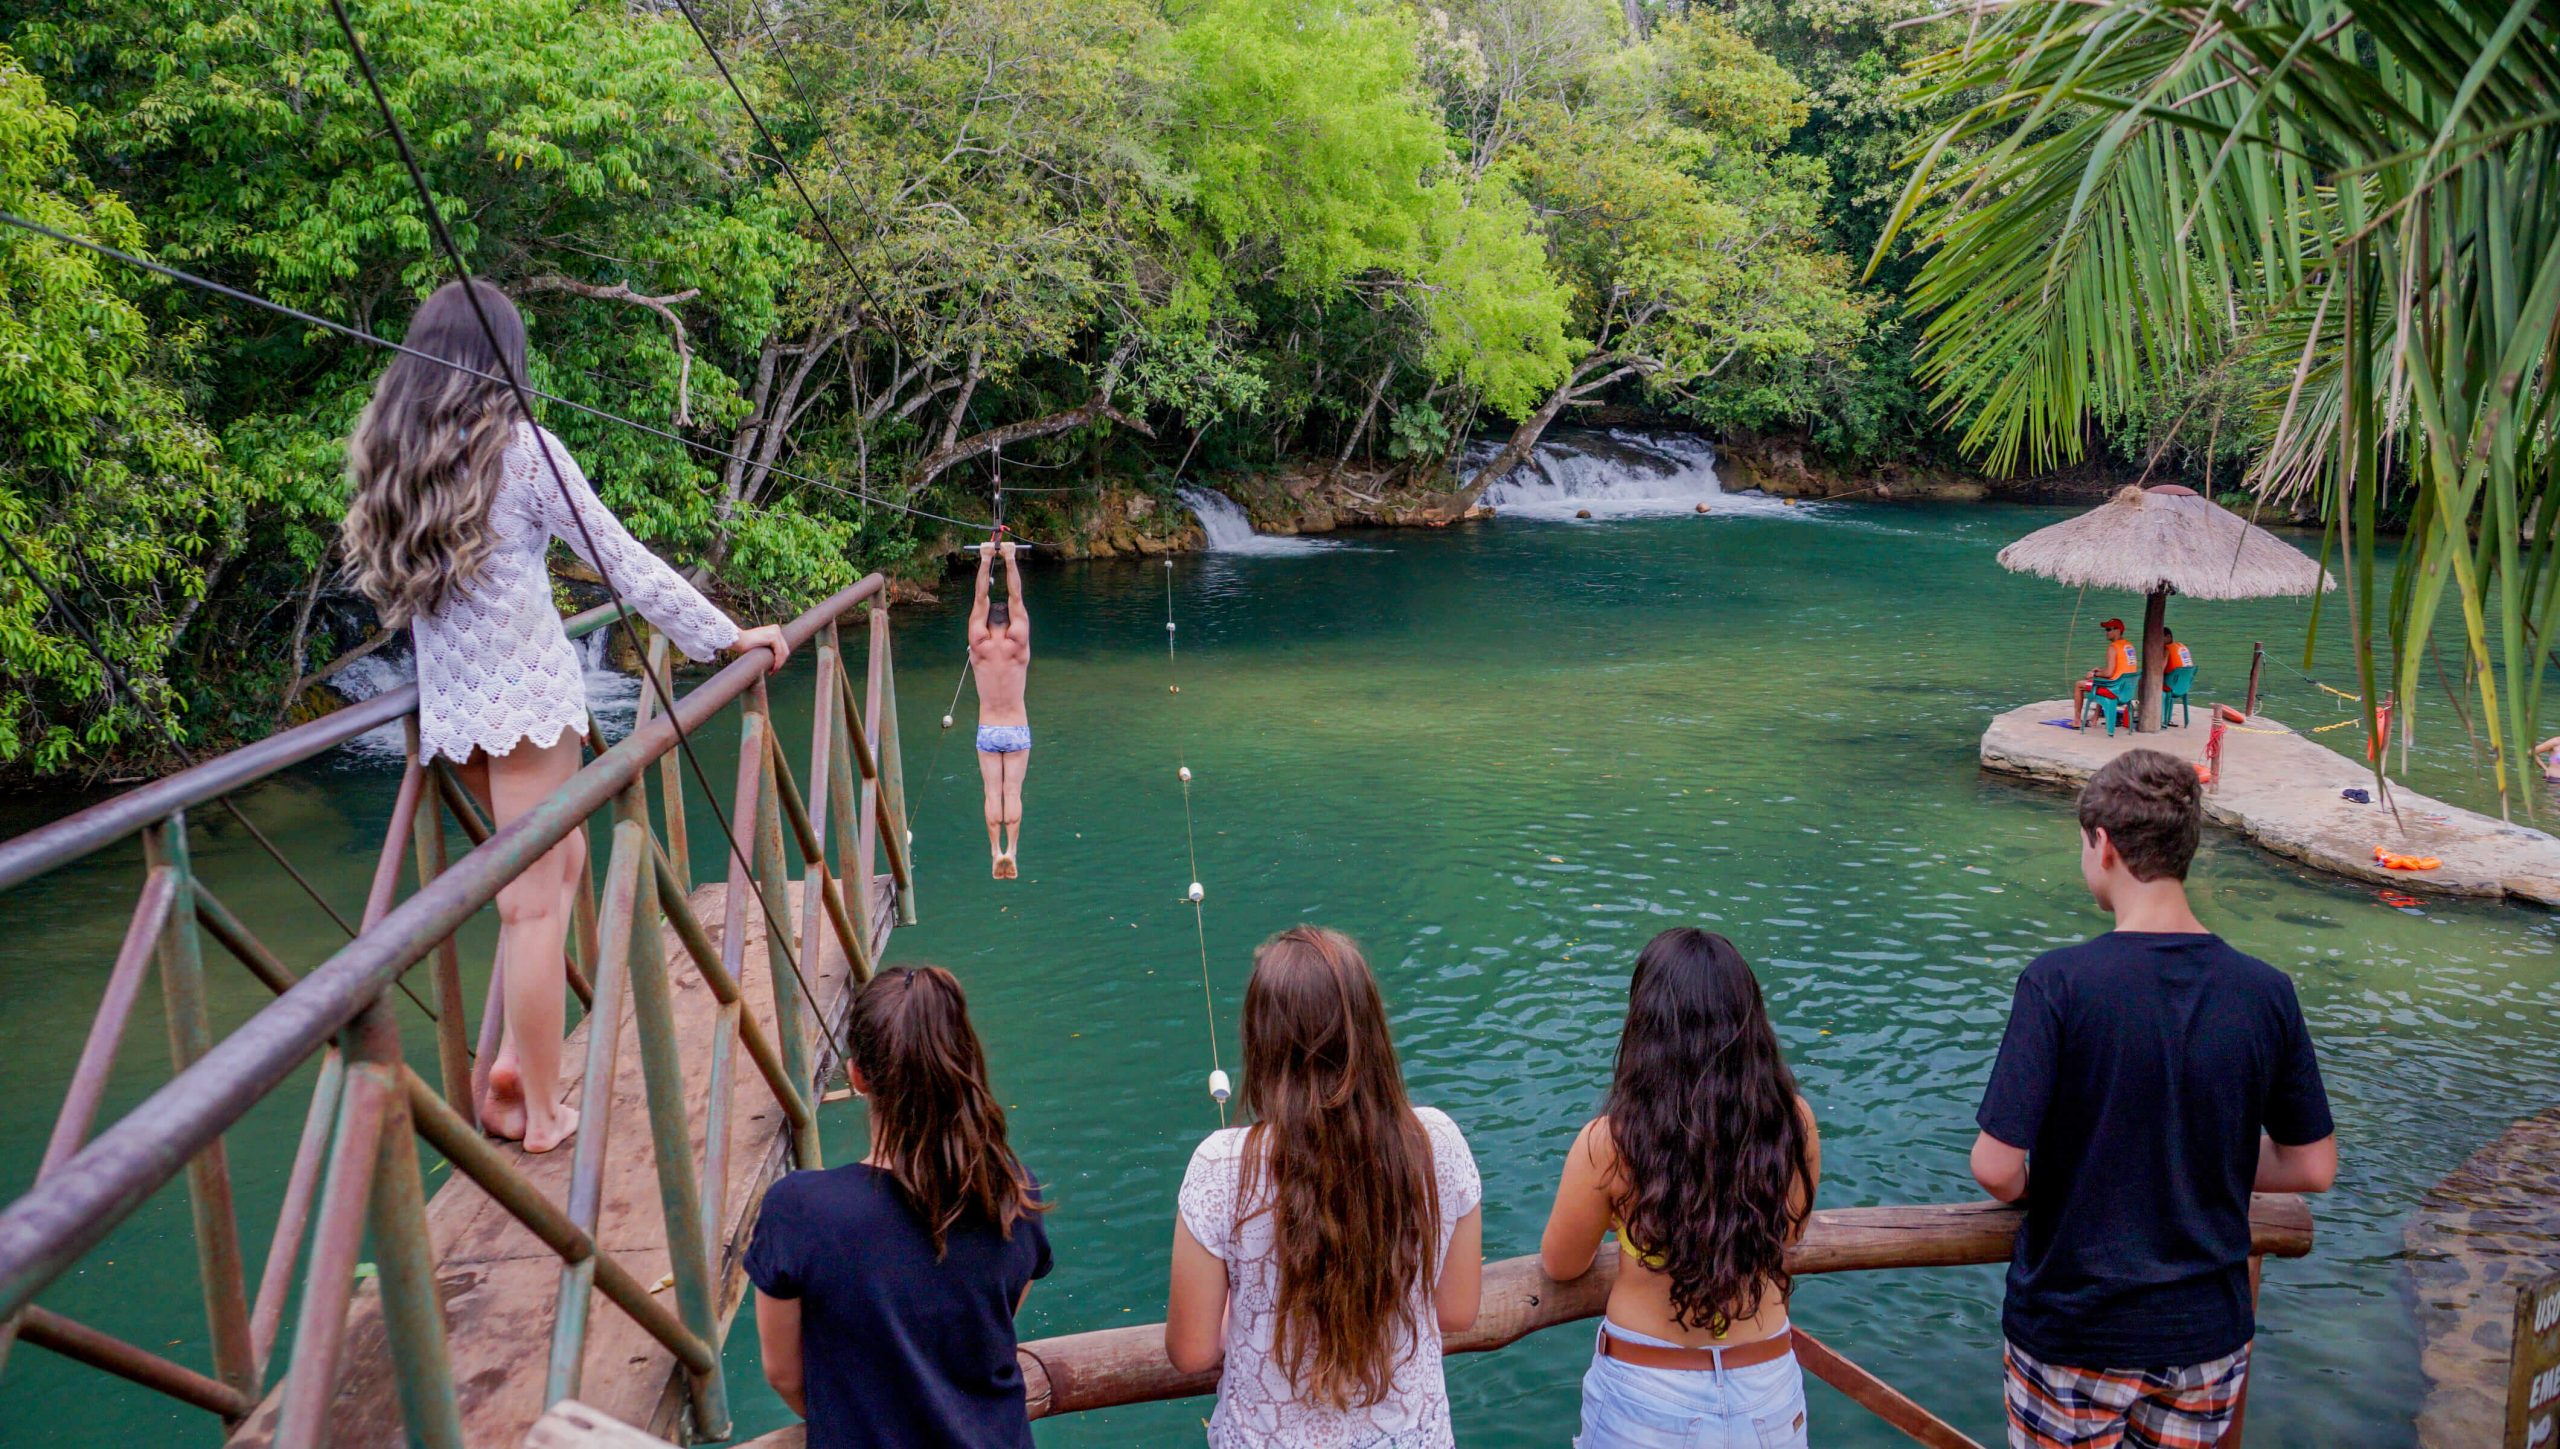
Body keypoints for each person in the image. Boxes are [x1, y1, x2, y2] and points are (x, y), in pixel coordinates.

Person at [342, 279, 788, 1153]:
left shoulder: (398, 452)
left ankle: (513, 1061)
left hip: (455, 716)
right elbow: (622, 562)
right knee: (534, 908)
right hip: (531, 708)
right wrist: (725, 637)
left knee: (561, 864)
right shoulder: (521, 451)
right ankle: (539, 1111)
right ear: (499, 360)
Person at [1972, 748, 2337, 1449]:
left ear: (2102, 844)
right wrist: (2214, 1157)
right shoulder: (2266, 992)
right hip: (2207, 1335)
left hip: (2077, 1326)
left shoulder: (2058, 984)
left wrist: (2061, 1172)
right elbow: (2312, 1166)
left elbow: (1995, 1166)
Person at [1166, 926, 1484, 1449]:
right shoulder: (1438, 1143)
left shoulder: (1220, 1166)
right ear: (1371, 1030)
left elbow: (1192, 1351)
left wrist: (1237, 1309)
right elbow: (1457, 1310)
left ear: (1260, 1040)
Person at [749, 966, 1051, 1449]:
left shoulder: (799, 1210)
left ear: (858, 1076)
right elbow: (990, 1329)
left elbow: (784, 1374)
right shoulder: (1016, 1195)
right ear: (966, 1064)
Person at [1541, 927, 1820, 1449]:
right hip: (1768, 1386)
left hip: (1647, 1394)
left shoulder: (1610, 1142)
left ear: (1645, 1024)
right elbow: (1790, 1231)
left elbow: (1561, 1263)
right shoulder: (1793, 1122)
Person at [969, 541, 1032, 879]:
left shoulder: (978, 645)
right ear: (1009, 622)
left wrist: (984, 560)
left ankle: (995, 851)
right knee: (1012, 792)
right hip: (1017, 729)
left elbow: (980, 599)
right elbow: (1016, 599)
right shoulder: (1017, 643)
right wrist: (1009, 558)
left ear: (985, 624)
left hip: (988, 730)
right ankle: (1013, 850)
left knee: (992, 792)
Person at [2072, 618, 2140, 728]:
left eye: (2108, 629)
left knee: (2079, 685)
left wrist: (2093, 674)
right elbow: (2118, 670)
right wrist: (2100, 671)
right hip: (2127, 691)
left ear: (2118, 630)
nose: (2106, 632)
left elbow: (2109, 673)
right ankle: (2095, 718)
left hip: (2114, 691)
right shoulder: (2129, 646)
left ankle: (2077, 720)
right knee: (2102, 681)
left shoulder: (2113, 647)